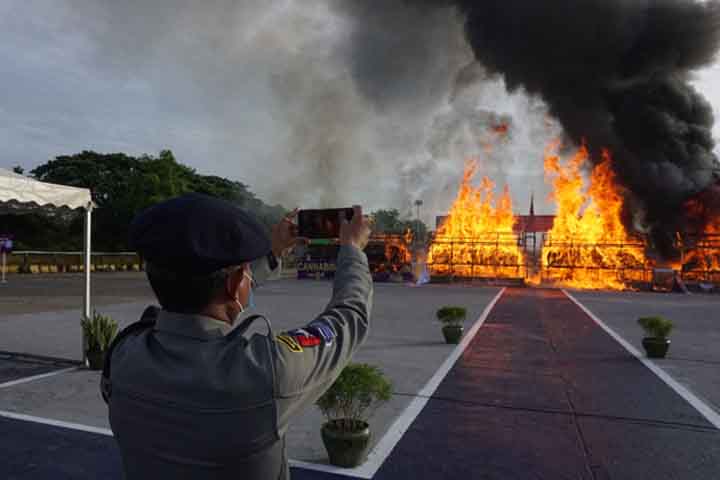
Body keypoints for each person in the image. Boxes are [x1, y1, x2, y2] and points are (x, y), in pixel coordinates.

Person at [101, 193, 372, 480]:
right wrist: (352, 249)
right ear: (233, 285)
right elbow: (349, 316)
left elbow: (214, 290)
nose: (247, 277)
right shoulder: (267, 371)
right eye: (244, 271)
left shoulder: (123, 356)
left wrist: (274, 252)